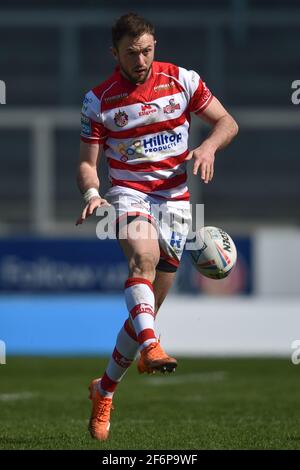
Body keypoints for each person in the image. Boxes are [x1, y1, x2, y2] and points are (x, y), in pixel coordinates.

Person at [76, 12, 238, 441]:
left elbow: (228, 123)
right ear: (115, 54)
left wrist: (207, 147)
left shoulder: (182, 81)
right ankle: (152, 346)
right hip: (128, 196)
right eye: (132, 53)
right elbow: (87, 165)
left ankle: (104, 389)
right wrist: (93, 194)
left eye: (147, 50)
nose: (141, 59)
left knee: (144, 309)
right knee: (142, 259)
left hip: (176, 204)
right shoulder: (99, 101)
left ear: (155, 46)